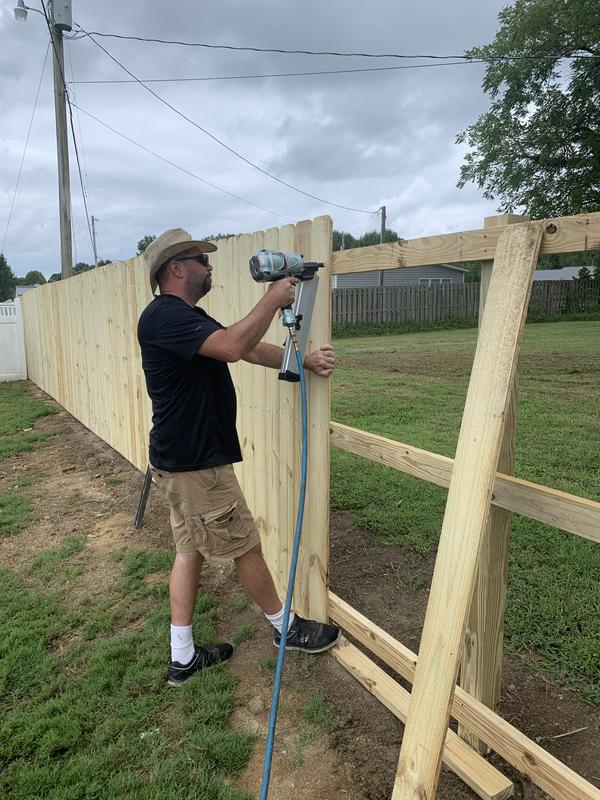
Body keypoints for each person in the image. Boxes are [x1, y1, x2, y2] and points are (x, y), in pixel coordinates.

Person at [138, 228, 341, 687]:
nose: (209, 267)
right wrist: (273, 298)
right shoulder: (164, 316)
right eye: (200, 260)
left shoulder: (184, 316)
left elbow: (242, 347)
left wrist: (303, 359)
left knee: (189, 551)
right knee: (244, 543)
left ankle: (183, 658)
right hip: (196, 466)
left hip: (179, 461)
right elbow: (232, 346)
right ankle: (286, 629)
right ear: (176, 268)